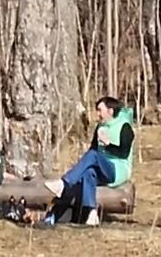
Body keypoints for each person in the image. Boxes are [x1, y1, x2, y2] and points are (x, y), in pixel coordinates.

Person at [43, 96, 135, 227]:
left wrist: (108, 144)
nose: (97, 114)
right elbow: (93, 148)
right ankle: (91, 214)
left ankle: (64, 183)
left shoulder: (124, 127)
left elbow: (124, 153)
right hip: (101, 168)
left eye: (100, 110)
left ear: (110, 111)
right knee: (88, 173)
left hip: (117, 170)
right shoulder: (100, 127)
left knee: (93, 156)